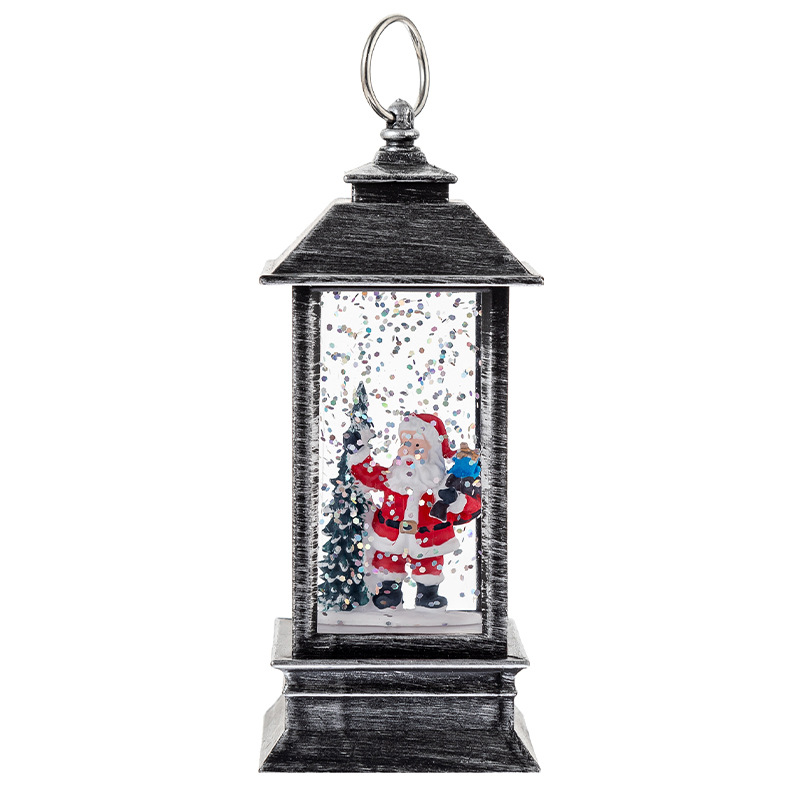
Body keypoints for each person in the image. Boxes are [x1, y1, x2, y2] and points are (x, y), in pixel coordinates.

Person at [345, 413, 481, 610]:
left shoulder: (441, 486)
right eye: (405, 443)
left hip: (429, 539)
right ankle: (389, 592)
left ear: (432, 451)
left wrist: (457, 500)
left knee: (429, 564)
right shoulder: (391, 479)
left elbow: (472, 507)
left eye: (417, 445)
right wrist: (357, 451)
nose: (408, 450)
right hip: (391, 536)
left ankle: (427, 594)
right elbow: (368, 473)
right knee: (388, 562)